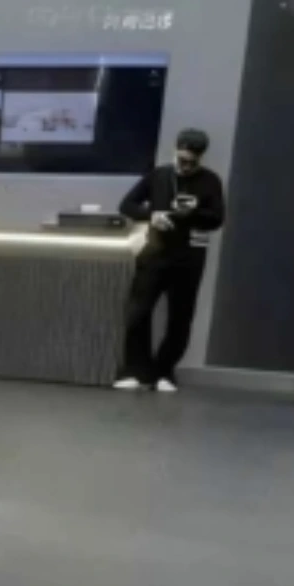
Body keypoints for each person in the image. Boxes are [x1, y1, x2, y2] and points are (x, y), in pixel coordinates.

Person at [114, 127, 227, 394]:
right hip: (155, 252)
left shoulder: (210, 181)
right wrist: (152, 215)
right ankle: (136, 371)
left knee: (180, 317)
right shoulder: (159, 175)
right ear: (175, 151)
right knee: (138, 312)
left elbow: (217, 219)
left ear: (200, 158)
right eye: (182, 160)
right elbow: (126, 205)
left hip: (189, 257)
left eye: (191, 163)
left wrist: (193, 212)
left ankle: (164, 371)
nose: (185, 167)